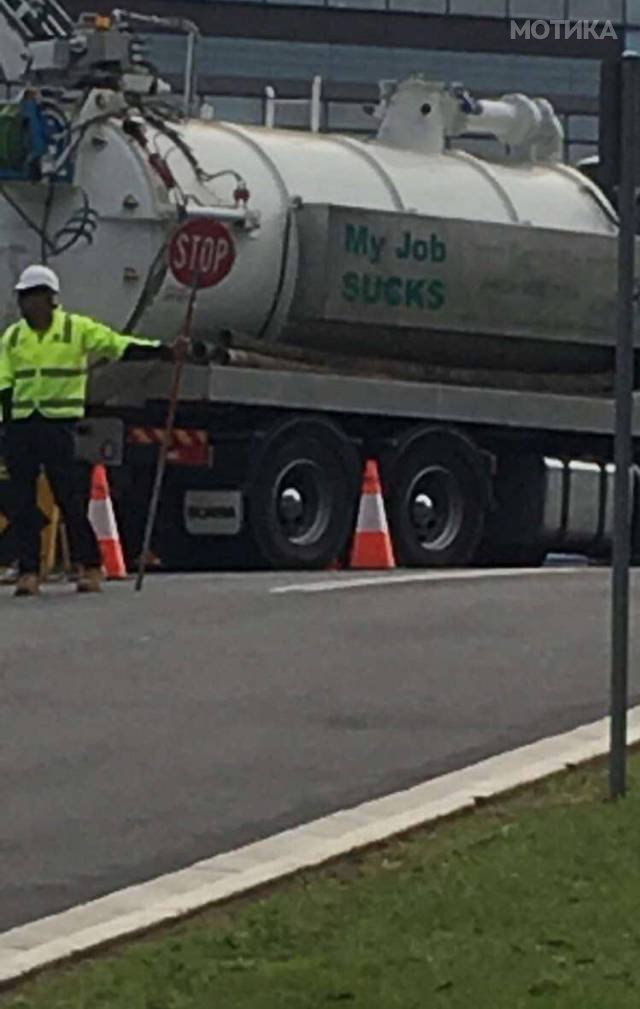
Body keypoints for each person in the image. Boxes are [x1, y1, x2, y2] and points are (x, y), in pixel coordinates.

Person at [0, 264, 173, 597]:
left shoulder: (75, 329)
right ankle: (29, 571)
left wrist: (161, 350)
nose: (28, 304)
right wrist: (4, 424)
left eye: (34, 296)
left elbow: (117, 345)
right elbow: (3, 382)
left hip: (59, 425)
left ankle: (90, 565)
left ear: (51, 299)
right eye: (24, 297)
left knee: (70, 499)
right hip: (21, 426)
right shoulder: (13, 337)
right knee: (21, 502)